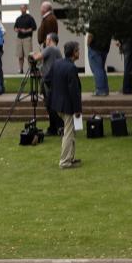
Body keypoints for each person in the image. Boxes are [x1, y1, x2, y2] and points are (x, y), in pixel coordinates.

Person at [50, 41, 82, 169]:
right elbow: (74, 91)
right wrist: (77, 109)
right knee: (68, 132)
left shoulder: (57, 63)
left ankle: (70, 157)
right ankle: (65, 161)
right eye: (78, 50)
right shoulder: (71, 68)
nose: (79, 52)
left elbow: (48, 79)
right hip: (67, 105)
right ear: (74, 53)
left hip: (57, 103)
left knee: (70, 131)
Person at [32, 33, 64, 136]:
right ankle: (55, 127)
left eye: (46, 39)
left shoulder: (50, 49)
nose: (45, 42)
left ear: (49, 40)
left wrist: (32, 54)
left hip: (49, 81)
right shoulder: (57, 51)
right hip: (55, 80)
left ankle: (57, 127)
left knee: (50, 105)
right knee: (51, 105)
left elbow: (36, 58)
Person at [86, 21, 112, 96]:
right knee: (101, 69)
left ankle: (100, 90)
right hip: (105, 48)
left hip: (95, 47)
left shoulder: (95, 18)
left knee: (97, 69)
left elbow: (91, 34)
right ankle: (105, 89)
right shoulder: (108, 17)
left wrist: (88, 44)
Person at [13, 5, 37, 74]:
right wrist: (17, 30)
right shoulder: (18, 18)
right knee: (20, 55)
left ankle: (31, 70)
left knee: (29, 55)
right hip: (19, 38)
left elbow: (34, 27)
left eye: (23, 8)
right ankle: (21, 69)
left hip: (27, 38)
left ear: (26, 9)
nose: (22, 9)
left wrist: (26, 31)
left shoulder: (30, 18)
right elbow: (15, 28)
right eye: (21, 8)